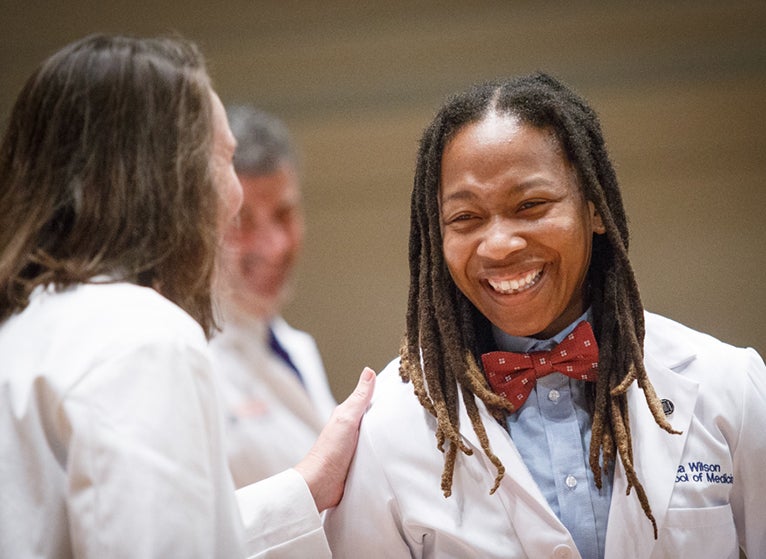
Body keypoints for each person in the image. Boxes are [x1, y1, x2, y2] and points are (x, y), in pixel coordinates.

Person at [324, 73, 765, 558]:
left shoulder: (729, 385)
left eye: (531, 205)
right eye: (465, 218)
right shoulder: (388, 425)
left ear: (595, 210)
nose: (498, 245)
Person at [0, 33, 374, 558]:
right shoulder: (145, 338)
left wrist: (306, 490)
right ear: (166, 180)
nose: (235, 194)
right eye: (223, 160)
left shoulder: (22, 329)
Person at [211, 105, 336, 487]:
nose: (275, 246)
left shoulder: (296, 347)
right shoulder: (185, 355)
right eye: (241, 221)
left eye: (284, 214)